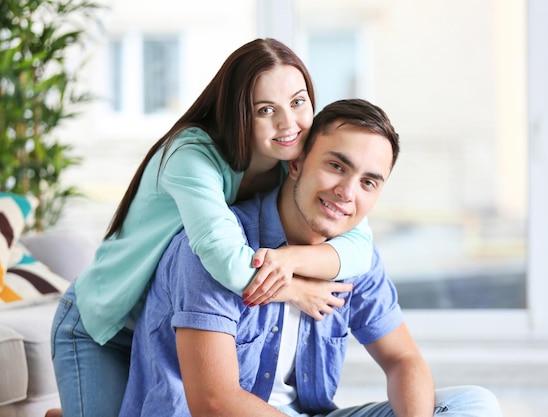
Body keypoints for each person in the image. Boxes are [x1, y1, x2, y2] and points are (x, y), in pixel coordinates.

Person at [50, 39, 374, 417]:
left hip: (162, 329)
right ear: (238, 114)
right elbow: (226, 261)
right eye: (266, 109)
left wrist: (290, 259)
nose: (289, 123)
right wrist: (296, 288)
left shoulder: (292, 156)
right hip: (106, 325)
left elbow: (360, 245)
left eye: (298, 102)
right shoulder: (190, 156)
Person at [119, 99, 504, 417]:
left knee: (473, 405)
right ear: (297, 163)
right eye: (337, 166)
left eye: (368, 182)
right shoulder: (214, 247)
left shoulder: (355, 257)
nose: (347, 192)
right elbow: (215, 403)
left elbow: (403, 358)